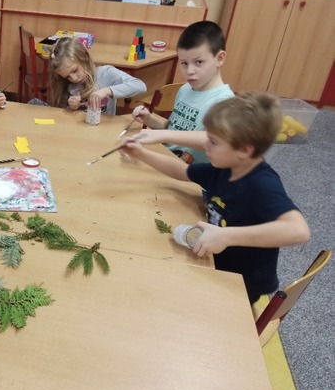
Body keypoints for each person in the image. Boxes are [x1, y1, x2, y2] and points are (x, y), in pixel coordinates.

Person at [121, 93, 310, 304]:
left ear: (244, 149)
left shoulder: (262, 183)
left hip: (241, 282)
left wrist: (227, 236)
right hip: (213, 261)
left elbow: (299, 231)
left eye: (212, 142)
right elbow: (183, 171)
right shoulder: (225, 167)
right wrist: (141, 154)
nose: (205, 146)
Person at [130, 20, 233, 163]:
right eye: (184, 63)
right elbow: (174, 129)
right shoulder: (185, 89)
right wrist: (150, 120)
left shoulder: (225, 102)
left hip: (189, 173)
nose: (189, 71)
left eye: (198, 62)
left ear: (220, 59)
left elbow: (214, 140)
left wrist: (164, 135)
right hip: (167, 161)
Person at [47, 36, 146, 113]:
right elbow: (64, 114)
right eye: (67, 76)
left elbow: (140, 86)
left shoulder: (106, 73)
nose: (74, 78)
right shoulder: (67, 84)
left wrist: (106, 91)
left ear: (84, 57)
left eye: (75, 70)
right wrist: (72, 107)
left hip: (104, 128)